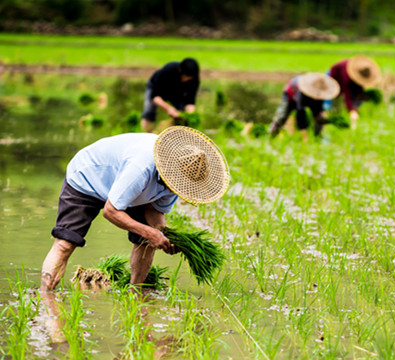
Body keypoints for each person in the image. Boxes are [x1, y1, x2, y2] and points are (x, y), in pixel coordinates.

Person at [40, 126, 230, 292]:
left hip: (129, 190)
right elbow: (111, 211)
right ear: (168, 171)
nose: (177, 190)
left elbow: (155, 211)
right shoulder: (141, 167)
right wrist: (149, 232)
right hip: (88, 177)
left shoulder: (180, 178)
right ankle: (45, 298)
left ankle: (135, 293)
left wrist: (163, 236)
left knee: (147, 243)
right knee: (65, 243)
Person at [268, 73, 340, 140]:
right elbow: (300, 112)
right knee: (282, 116)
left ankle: (318, 137)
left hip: (306, 97)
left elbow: (318, 111)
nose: (317, 98)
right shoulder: (303, 92)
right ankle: (270, 136)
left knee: (318, 117)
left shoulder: (321, 95)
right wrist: (304, 134)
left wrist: (323, 119)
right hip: (290, 93)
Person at [141, 58, 200, 132]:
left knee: (181, 117)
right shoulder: (168, 70)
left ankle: (168, 134)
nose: (187, 80)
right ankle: (148, 135)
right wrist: (168, 108)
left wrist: (189, 114)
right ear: (181, 72)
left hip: (176, 91)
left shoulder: (194, 79)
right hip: (157, 88)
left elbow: (190, 102)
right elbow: (155, 97)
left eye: (190, 78)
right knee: (149, 112)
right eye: (186, 77)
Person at [327, 56, 381, 130]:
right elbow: (347, 94)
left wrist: (357, 103)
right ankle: (333, 122)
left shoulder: (359, 74)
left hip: (348, 81)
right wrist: (351, 110)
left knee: (355, 101)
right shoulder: (345, 75)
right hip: (333, 78)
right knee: (335, 104)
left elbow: (359, 88)